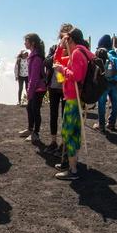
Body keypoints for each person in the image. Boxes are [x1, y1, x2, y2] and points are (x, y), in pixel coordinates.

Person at [54, 28, 93, 181]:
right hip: (75, 99)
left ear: (72, 39)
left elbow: (76, 76)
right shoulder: (78, 52)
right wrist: (60, 48)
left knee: (69, 132)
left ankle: (73, 169)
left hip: (73, 99)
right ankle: (71, 163)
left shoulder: (77, 53)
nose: (65, 43)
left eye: (66, 40)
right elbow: (56, 61)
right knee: (71, 132)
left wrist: (62, 70)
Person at [46, 23, 74, 154]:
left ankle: (63, 143)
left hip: (66, 86)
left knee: (65, 115)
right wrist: (58, 51)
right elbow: (47, 62)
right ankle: (53, 141)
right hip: (54, 85)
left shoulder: (74, 49)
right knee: (53, 114)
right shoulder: (54, 47)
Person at [18, 34, 47, 143]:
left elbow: (34, 77)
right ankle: (30, 130)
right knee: (30, 108)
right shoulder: (33, 55)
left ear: (32, 43)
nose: (25, 43)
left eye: (26, 41)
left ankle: (36, 133)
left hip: (38, 88)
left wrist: (29, 92)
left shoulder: (36, 57)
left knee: (35, 110)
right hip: (36, 87)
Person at [93, 35, 117, 133]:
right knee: (115, 103)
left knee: (101, 103)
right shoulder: (115, 54)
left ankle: (101, 125)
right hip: (116, 82)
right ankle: (111, 123)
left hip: (104, 83)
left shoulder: (102, 53)